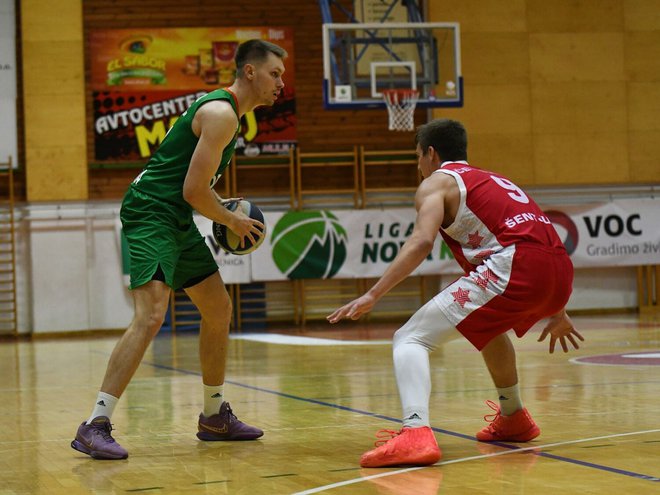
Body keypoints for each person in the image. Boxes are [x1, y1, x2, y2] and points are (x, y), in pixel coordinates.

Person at [71, 39, 287, 460]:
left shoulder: (229, 117)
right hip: (152, 212)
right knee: (151, 316)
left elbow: (193, 185)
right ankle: (94, 423)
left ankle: (214, 416)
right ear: (249, 72)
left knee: (218, 309)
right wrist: (230, 219)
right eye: (275, 74)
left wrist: (222, 204)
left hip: (175, 216)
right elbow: (192, 190)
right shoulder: (222, 114)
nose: (281, 83)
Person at [327, 119, 584, 468]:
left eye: (417, 157)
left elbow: (421, 242)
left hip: (515, 266)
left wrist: (373, 294)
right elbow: (537, 237)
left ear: (431, 154)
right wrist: (557, 307)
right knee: (489, 327)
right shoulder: (494, 179)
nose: (418, 166)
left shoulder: (437, 183)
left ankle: (415, 432)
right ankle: (513, 416)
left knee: (410, 338)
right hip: (558, 268)